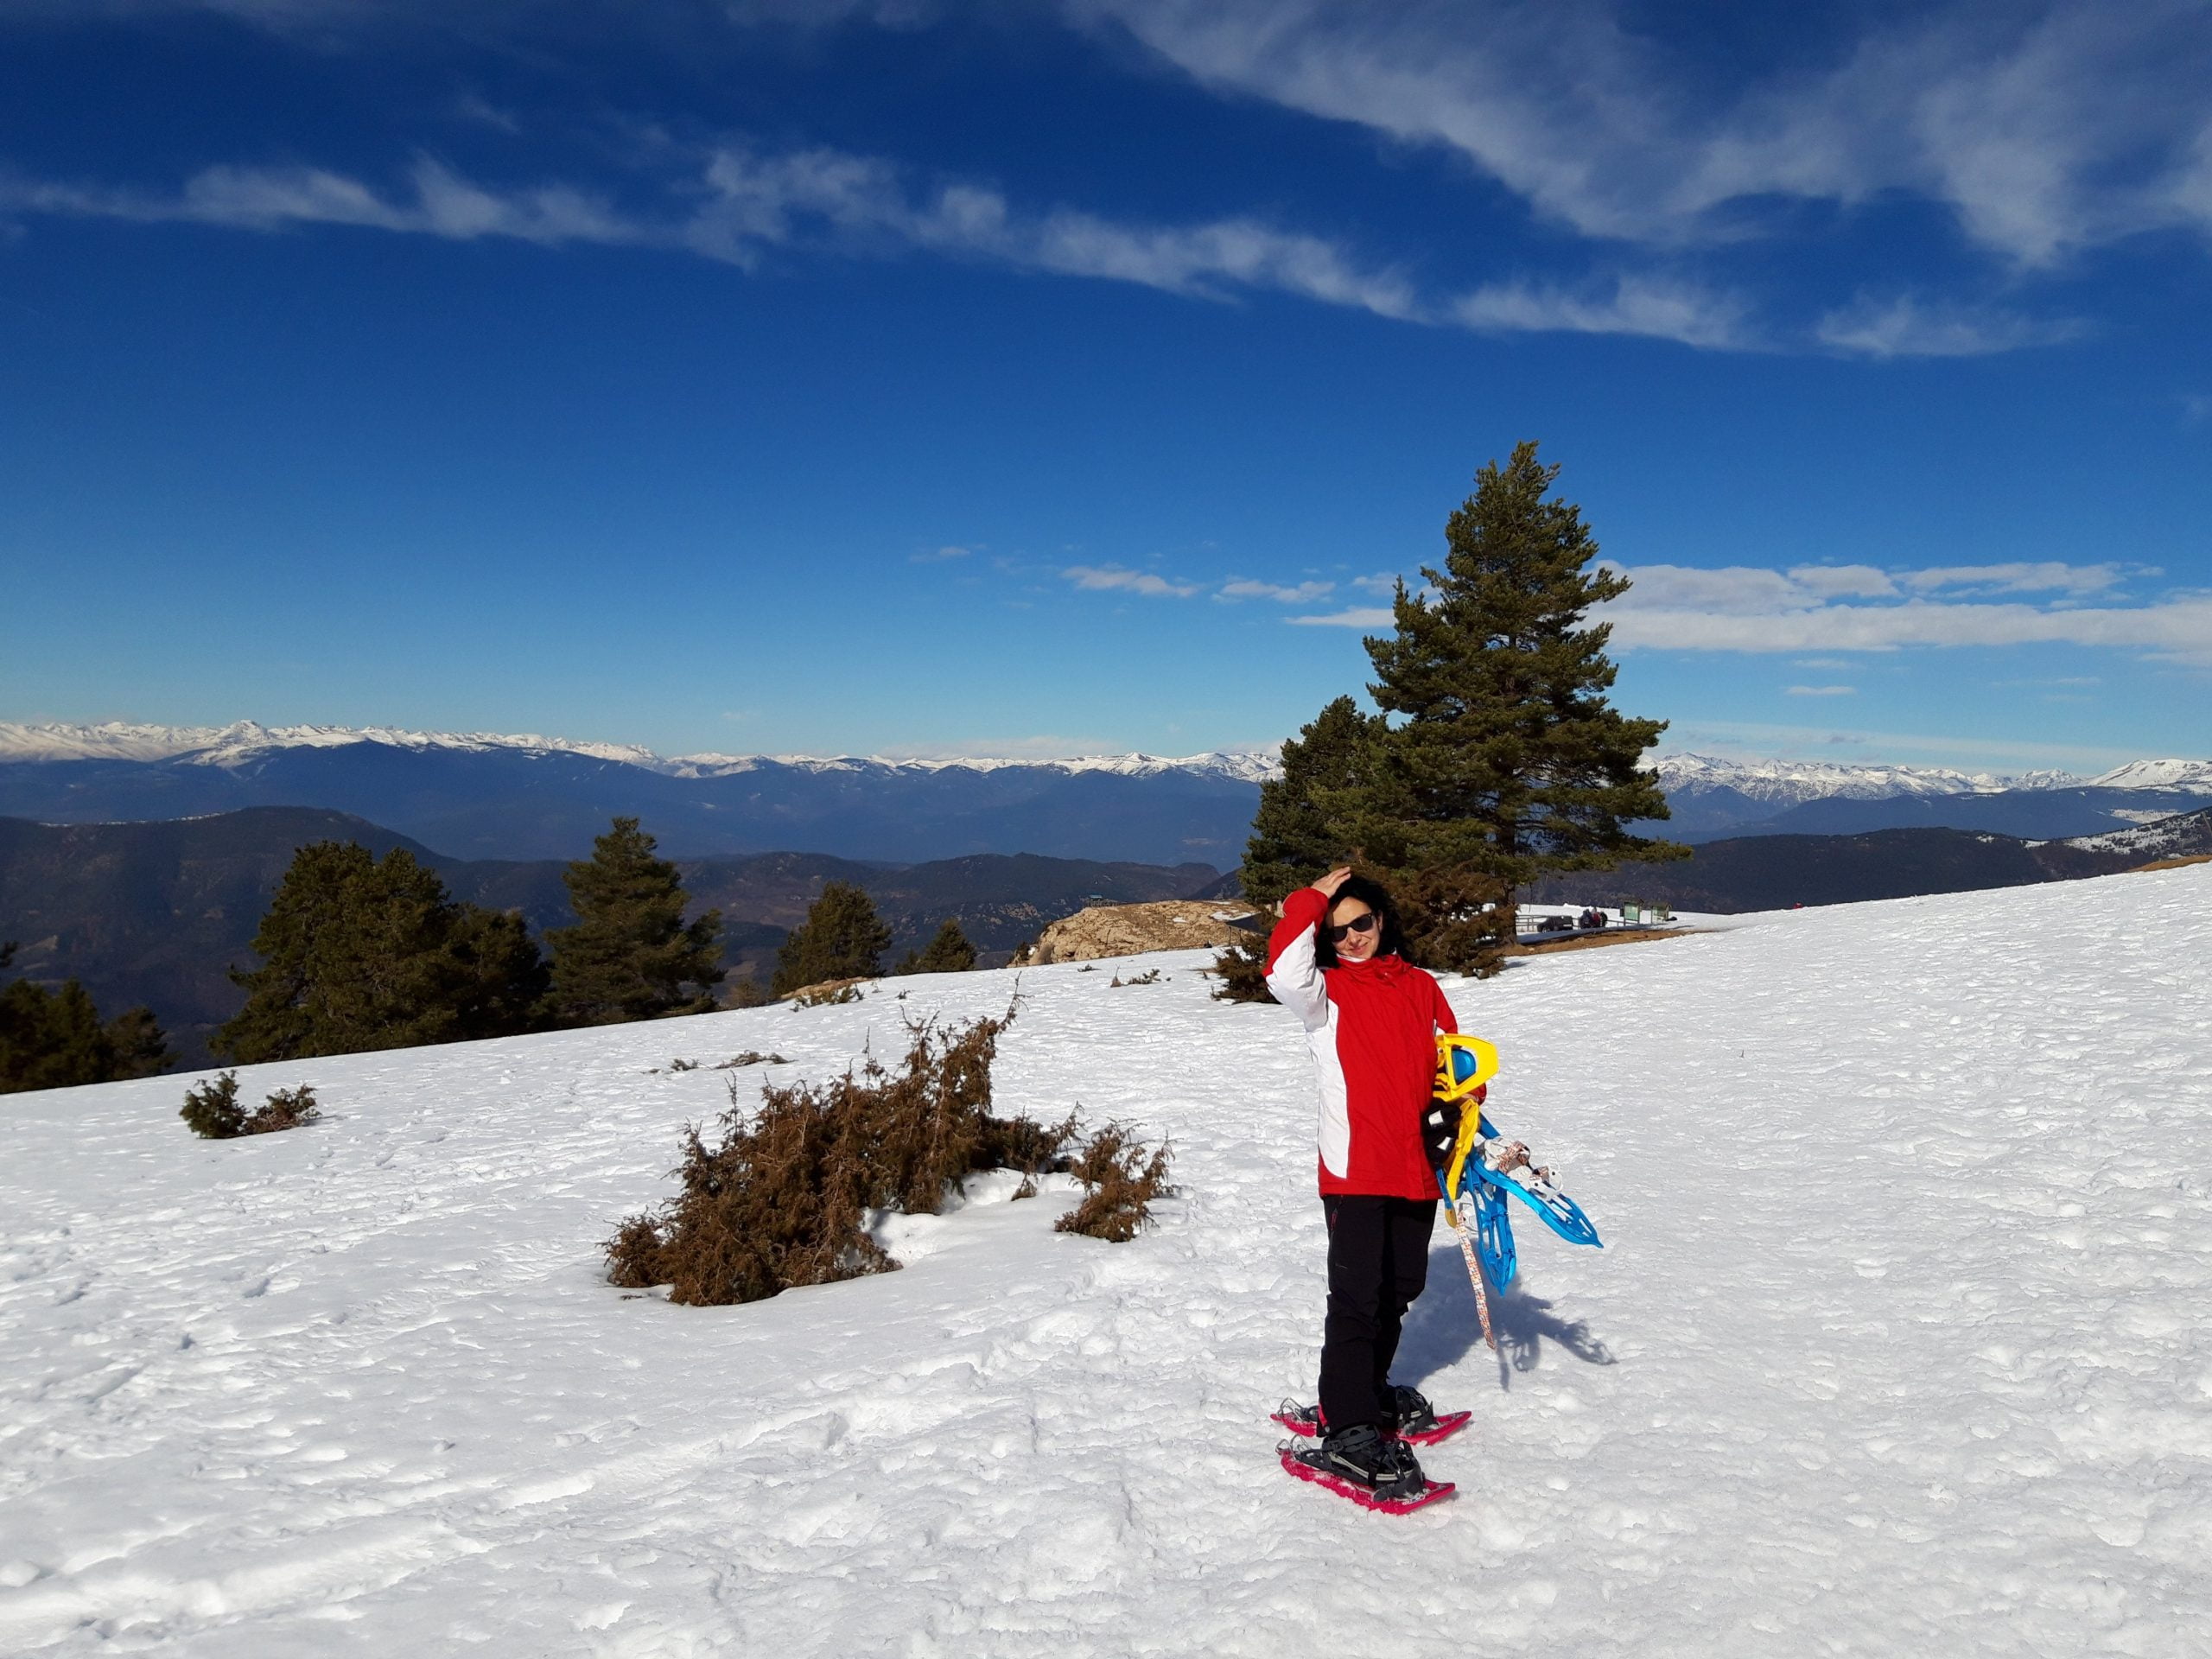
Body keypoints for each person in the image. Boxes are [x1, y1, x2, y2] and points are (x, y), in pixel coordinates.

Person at [1265, 866, 1459, 1500]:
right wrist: (1310, 901)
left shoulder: (1422, 987)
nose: (1352, 937)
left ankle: (1366, 1394)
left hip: (1415, 1164)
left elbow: (1455, 1059)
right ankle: (1347, 1428)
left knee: (1401, 1286)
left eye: (1362, 923)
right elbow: (1281, 972)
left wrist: (1465, 1110)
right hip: (1355, 1169)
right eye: (1337, 929)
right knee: (1356, 1298)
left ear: (1382, 918)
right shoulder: (1324, 995)